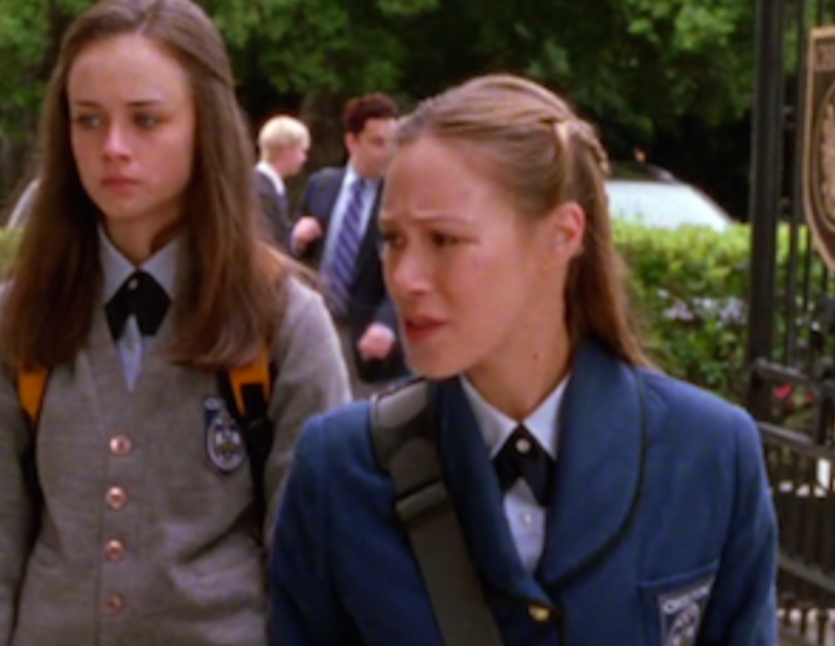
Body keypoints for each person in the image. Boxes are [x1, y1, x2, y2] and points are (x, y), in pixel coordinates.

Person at [269, 74, 777, 645]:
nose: (404, 278)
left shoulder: (708, 454)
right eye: (393, 239)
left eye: (444, 239)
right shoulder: (339, 469)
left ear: (562, 235)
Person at [0, 1, 350, 644]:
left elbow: (314, 574)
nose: (114, 148)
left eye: (146, 120)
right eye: (88, 120)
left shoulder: (284, 321)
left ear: (206, 126)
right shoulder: (23, 318)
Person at [290, 93, 406, 396]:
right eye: (378, 143)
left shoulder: (400, 199)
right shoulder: (322, 185)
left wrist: (387, 323)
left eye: (393, 143)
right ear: (352, 142)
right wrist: (298, 240)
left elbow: (408, 269)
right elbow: (297, 259)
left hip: (368, 341)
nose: (388, 153)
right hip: (317, 328)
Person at [254, 115, 309, 249]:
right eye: (302, 150)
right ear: (288, 150)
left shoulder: (264, 185)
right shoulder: (262, 192)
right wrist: (294, 237)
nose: (305, 158)